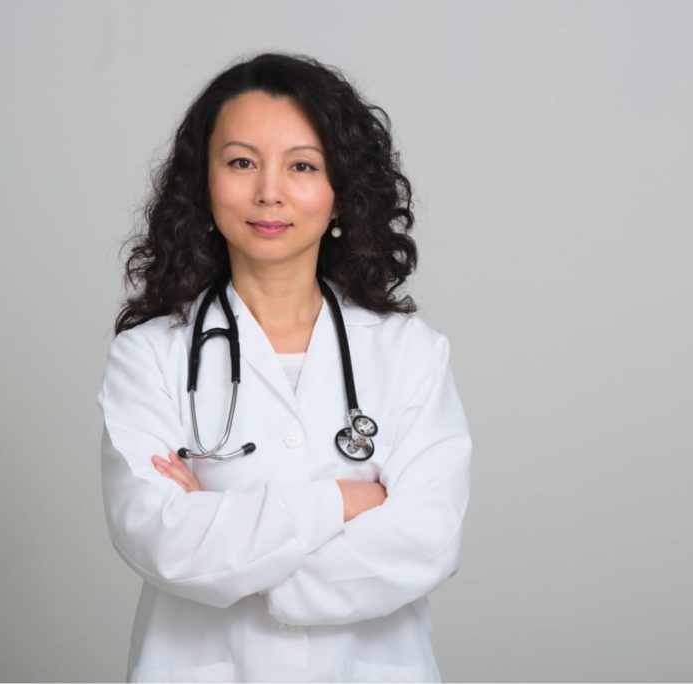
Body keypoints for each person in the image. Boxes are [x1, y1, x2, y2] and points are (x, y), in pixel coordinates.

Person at [97, 53, 471, 683]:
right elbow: (160, 538)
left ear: (341, 192)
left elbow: (427, 539)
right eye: (242, 162)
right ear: (204, 182)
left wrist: (237, 550)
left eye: (302, 165)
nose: (269, 190)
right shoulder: (152, 357)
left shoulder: (409, 353)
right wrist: (344, 503)